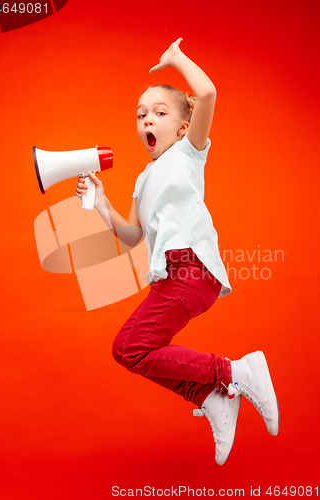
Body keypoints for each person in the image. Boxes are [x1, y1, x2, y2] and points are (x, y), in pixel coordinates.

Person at [76, 39, 279, 465]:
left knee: (129, 348)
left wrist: (175, 60)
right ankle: (211, 394)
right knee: (132, 350)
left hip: (190, 269)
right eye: (141, 114)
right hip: (172, 276)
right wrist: (100, 203)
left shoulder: (189, 154)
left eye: (159, 112)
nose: (147, 119)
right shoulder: (142, 178)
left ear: (185, 128)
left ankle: (236, 373)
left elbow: (206, 94)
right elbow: (132, 236)